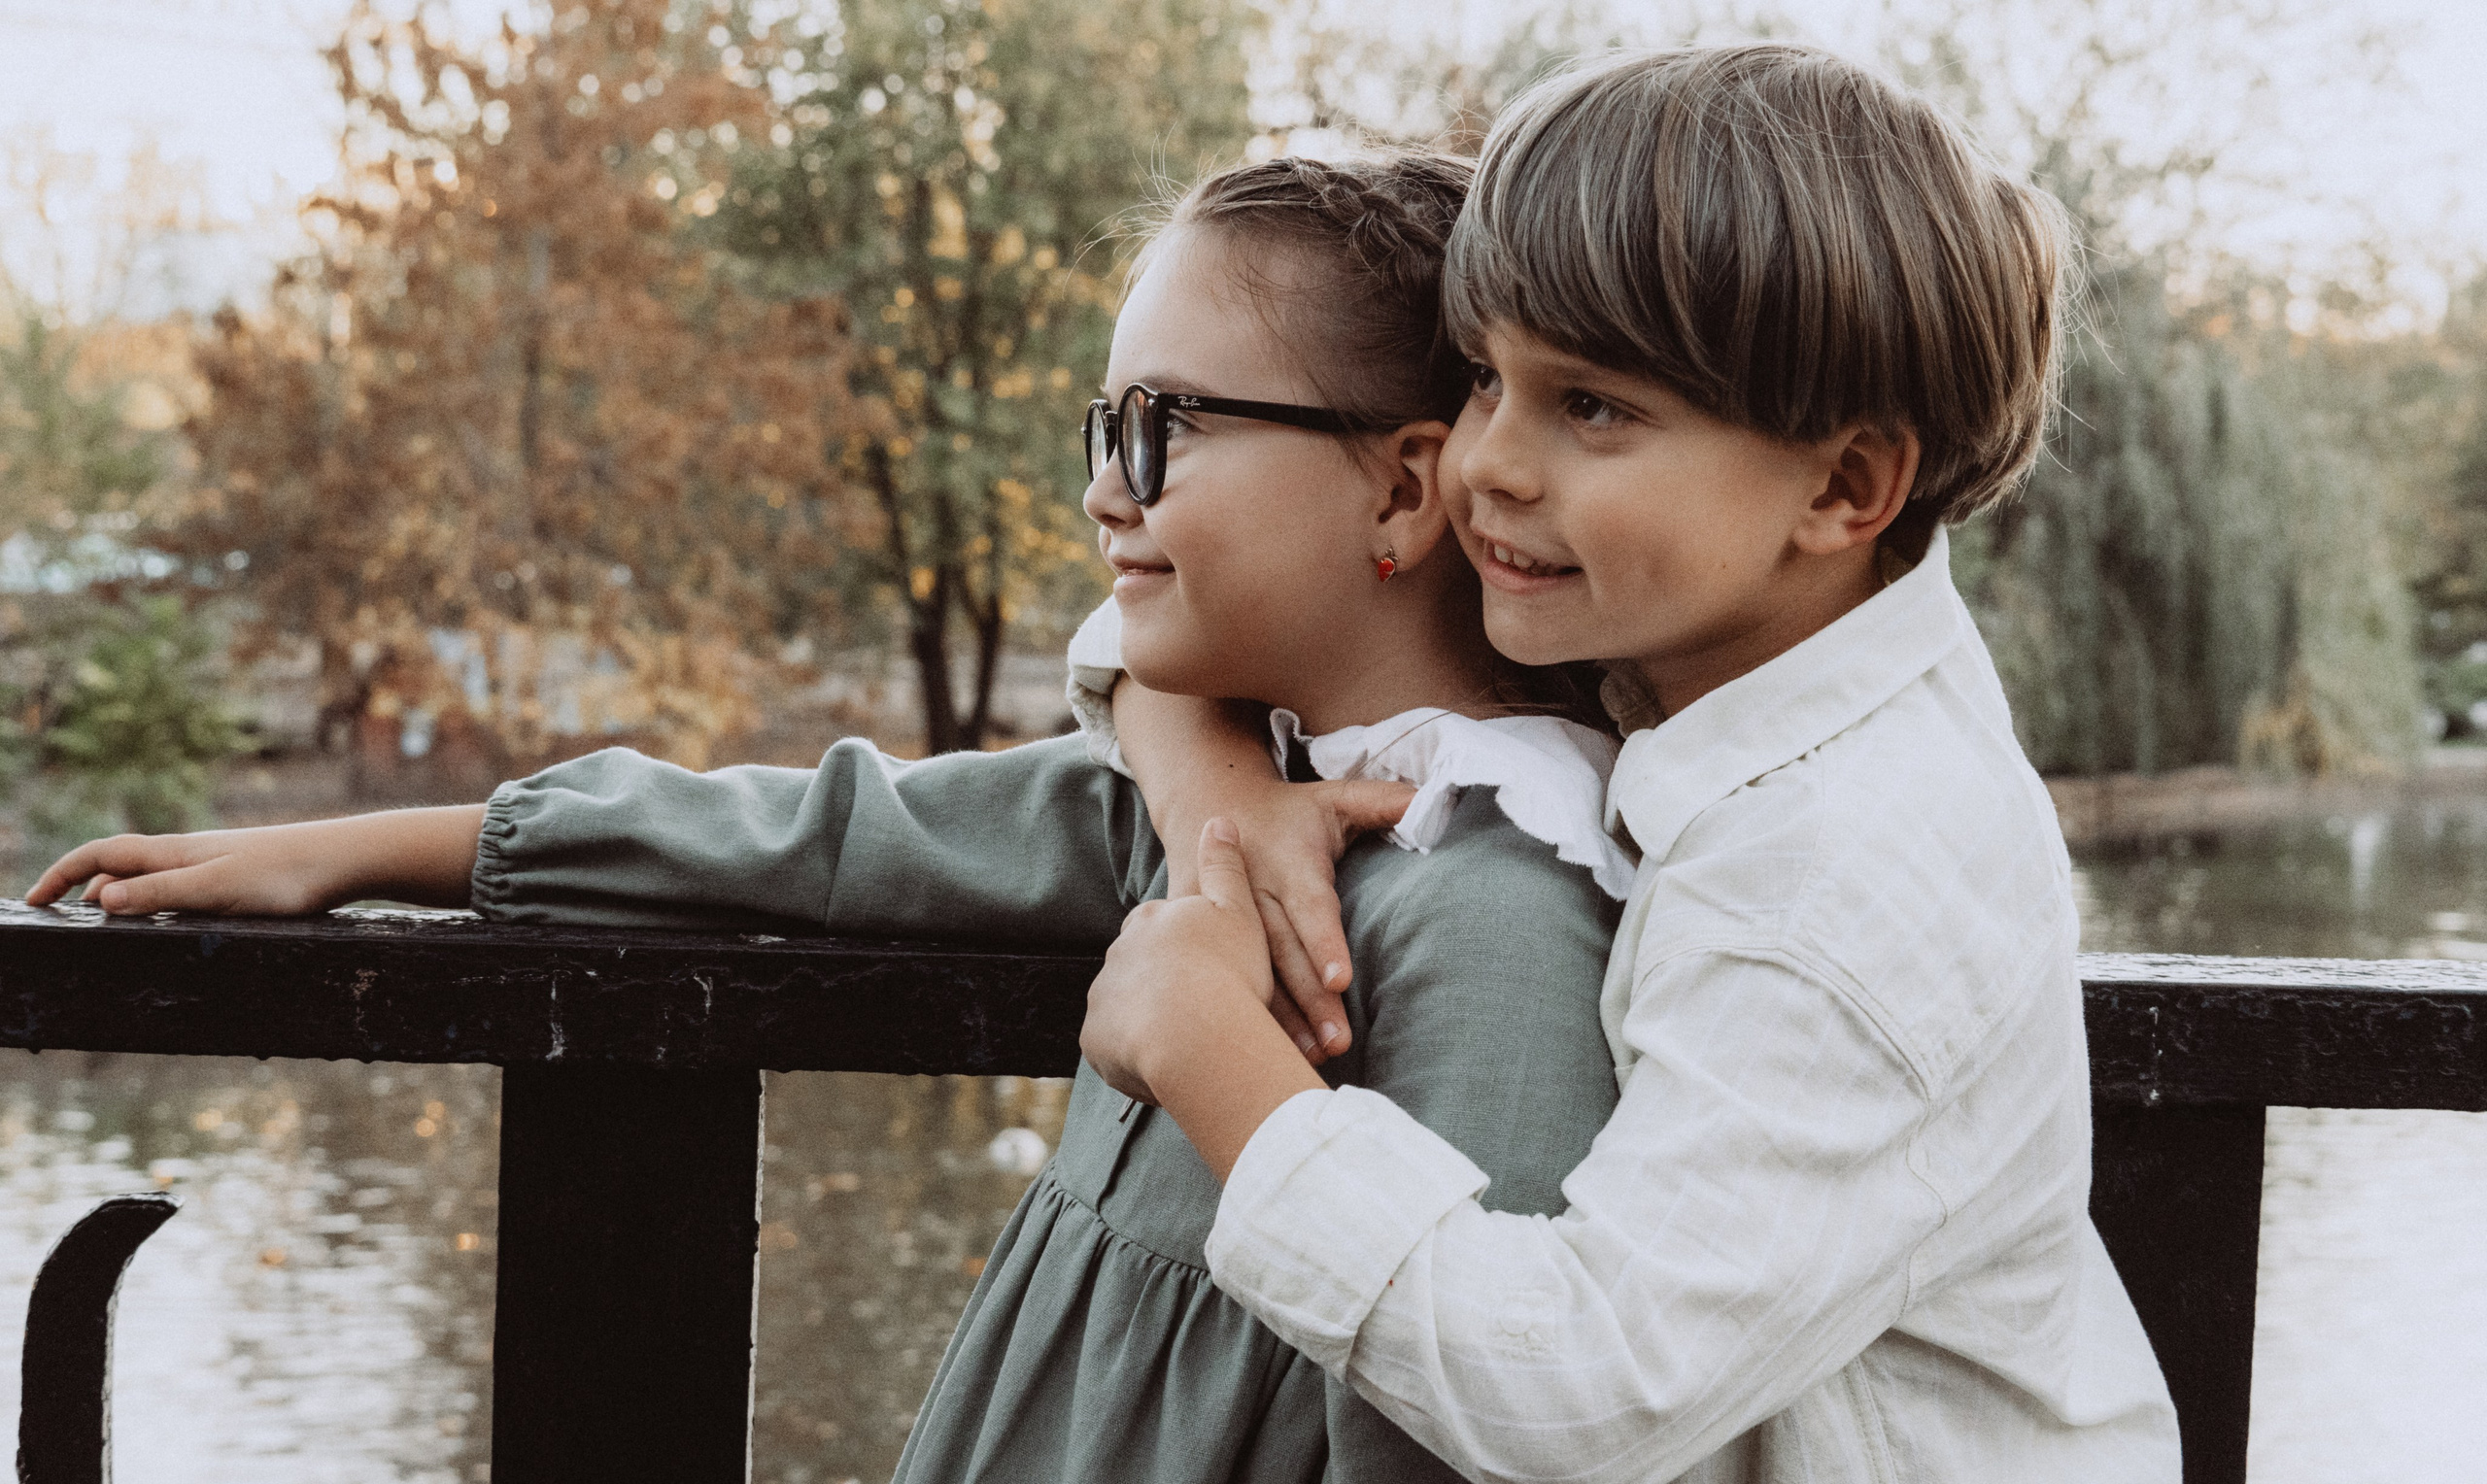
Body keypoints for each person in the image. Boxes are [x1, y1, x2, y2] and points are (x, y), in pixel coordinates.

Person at [27, 152, 1638, 1484]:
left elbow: (1468, 1423)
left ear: (1405, 488)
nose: (1103, 491)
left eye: (1166, 428)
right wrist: (381, 846)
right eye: (1104, 432)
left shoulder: (1494, 927)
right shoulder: (1215, 819)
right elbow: (828, 835)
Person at [1071, 46, 2185, 1484]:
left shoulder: (1849, 870)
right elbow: (1170, 611)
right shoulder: (1682, 622)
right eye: (1487, 377)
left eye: (1592, 406)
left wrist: (1215, 1057)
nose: (1489, 466)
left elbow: (1584, 1398)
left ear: (1845, 487)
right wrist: (1222, 794)